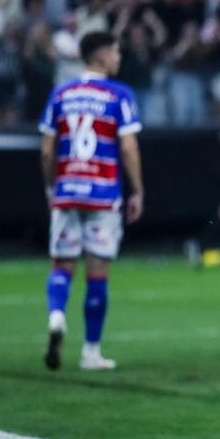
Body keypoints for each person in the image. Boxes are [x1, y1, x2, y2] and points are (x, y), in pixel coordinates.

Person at [39, 30, 145, 371]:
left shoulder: (61, 93)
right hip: (102, 193)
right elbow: (127, 146)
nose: (118, 58)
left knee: (62, 266)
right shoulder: (119, 94)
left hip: (68, 190)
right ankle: (90, 352)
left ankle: (57, 317)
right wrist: (138, 189)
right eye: (115, 51)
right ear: (101, 56)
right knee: (97, 274)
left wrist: (50, 188)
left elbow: (46, 149)